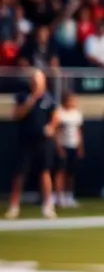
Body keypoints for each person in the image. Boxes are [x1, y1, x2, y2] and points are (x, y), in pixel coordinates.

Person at [7, 68, 59, 220]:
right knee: (20, 175)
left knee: (45, 173)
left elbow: (56, 116)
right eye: (34, 81)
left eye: (39, 82)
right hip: (26, 140)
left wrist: (51, 127)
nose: (37, 84)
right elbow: (17, 115)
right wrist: (31, 100)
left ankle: (48, 206)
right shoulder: (23, 97)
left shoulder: (50, 98)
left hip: (43, 141)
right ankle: (14, 206)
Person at [54, 90, 84, 209]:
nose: (73, 102)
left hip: (74, 145)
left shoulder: (77, 114)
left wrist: (80, 147)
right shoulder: (59, 113)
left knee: (71, 173)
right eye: (71, 100)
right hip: (63, 145)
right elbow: (56, 131)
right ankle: (58, 197)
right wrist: (58, 146)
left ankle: (69, 196)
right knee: (60, 172)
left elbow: (78, 131)